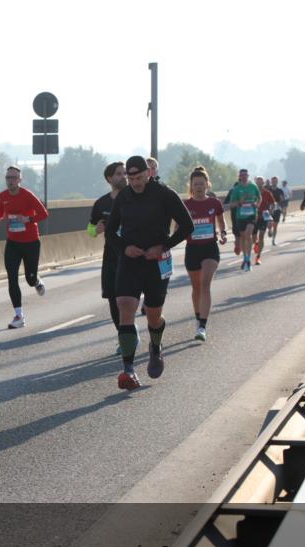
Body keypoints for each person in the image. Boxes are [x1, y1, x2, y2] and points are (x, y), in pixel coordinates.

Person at [106, 156, 193, 390]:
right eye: (131, 178)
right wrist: (125, 248)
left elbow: (188, 225)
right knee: (125, 305)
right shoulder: (123, 197)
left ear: (148, 173)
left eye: (139, 177)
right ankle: (128, 370)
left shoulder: (164, 194)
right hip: (130, 261)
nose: (135, 182)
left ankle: (155, 347)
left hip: (156, 262)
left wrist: (163, 246)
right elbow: (110, 232)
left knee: (153, 316)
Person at [89, 162, 139, 353]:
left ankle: (130, 332)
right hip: (111, 257)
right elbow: (90, 228)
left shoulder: (135, 198)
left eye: (125, 173)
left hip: (132, 257)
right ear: (109, 179)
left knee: (127, 298)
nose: (123, 176)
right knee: (112, 299)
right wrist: (96, 230)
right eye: (119, 174)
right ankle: (124, 335)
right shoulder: (101, 203)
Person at [0, 166, 49, 329]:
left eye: (13, 177)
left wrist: (28, 219)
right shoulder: (2, 196)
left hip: (31, 242)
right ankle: (19, 316)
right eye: (8, 177)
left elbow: (44, 214)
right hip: (13, 242)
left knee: (29, 279)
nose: (10, 180)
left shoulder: (28, 195)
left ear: (19, 180)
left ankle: (37, 281)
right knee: (12, 277)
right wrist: (2, 219)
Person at [183, 167, 227, 342]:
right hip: (192, 249)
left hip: (210, 248)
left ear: (207, 184)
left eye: (202, 183)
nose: (199, 187)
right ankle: (197, 318)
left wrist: (223, 234)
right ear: (191, 186)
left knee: (205, 284)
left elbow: (222, 222)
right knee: (196, 288)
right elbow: (178, 227)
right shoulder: (186, 205)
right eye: (196, 184)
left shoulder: (214, 203)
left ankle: (202, 325)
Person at [227, 168, 261, 271]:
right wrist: (239, 203)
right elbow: (231, 205)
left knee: (248, 234)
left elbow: (259, 197)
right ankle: (245, 258)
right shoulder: (237, 189)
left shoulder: (253, 186)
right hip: (240, 216)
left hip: (251, 215)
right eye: (242, 175)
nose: (244, 176)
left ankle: (248, 258)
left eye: (246, 175)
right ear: (240, 176)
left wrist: (257, 204)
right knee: (243, 237)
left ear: (248, 175)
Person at [254, 177, 276, 265]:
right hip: (254, 217)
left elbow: (273, 203)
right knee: (254, 238)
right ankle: (256, 244)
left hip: (263, 216)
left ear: (263, 183)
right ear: (256, 183)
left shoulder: (267, 193)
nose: (259, 184)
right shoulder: (253, 192)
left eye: (261, 182)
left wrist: (271, 210)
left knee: (261, 236)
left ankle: (258, 257)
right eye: (258, 182)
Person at [269, 176, 285, 245]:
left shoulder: (280, 190)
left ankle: (273, 240)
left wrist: (282, 208)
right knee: (269, 223)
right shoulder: (268, 190)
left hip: (277, 208)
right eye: (273, 181)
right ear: (271, 182)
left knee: (275, 225)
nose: (274, 182)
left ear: (277, 182)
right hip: (269, 209)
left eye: (275, 181)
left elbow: (282, 200)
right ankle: (269, 230)